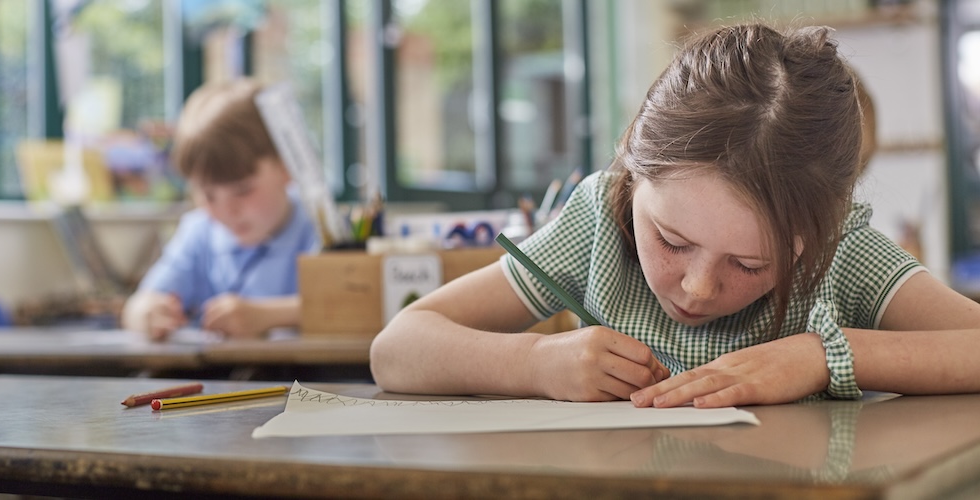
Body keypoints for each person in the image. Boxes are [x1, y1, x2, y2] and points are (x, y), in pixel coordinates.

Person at [370, 23, 980, 408]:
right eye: (671, 239)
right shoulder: (598, 223)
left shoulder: (840, 251)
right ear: (634, 177)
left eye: (748, 263)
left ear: (813, 235)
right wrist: (533, 364)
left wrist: (821, 356)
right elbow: (397, 347)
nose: (697, 286)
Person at [122, 79, 321, 341]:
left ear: (285, 166)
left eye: (243, 190)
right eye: (208, 195)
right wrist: (148, 313)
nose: (228, 210)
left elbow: (351, 310)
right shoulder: (200, 231)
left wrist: (267, 316)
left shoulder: (320, 229)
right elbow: (136, 306)